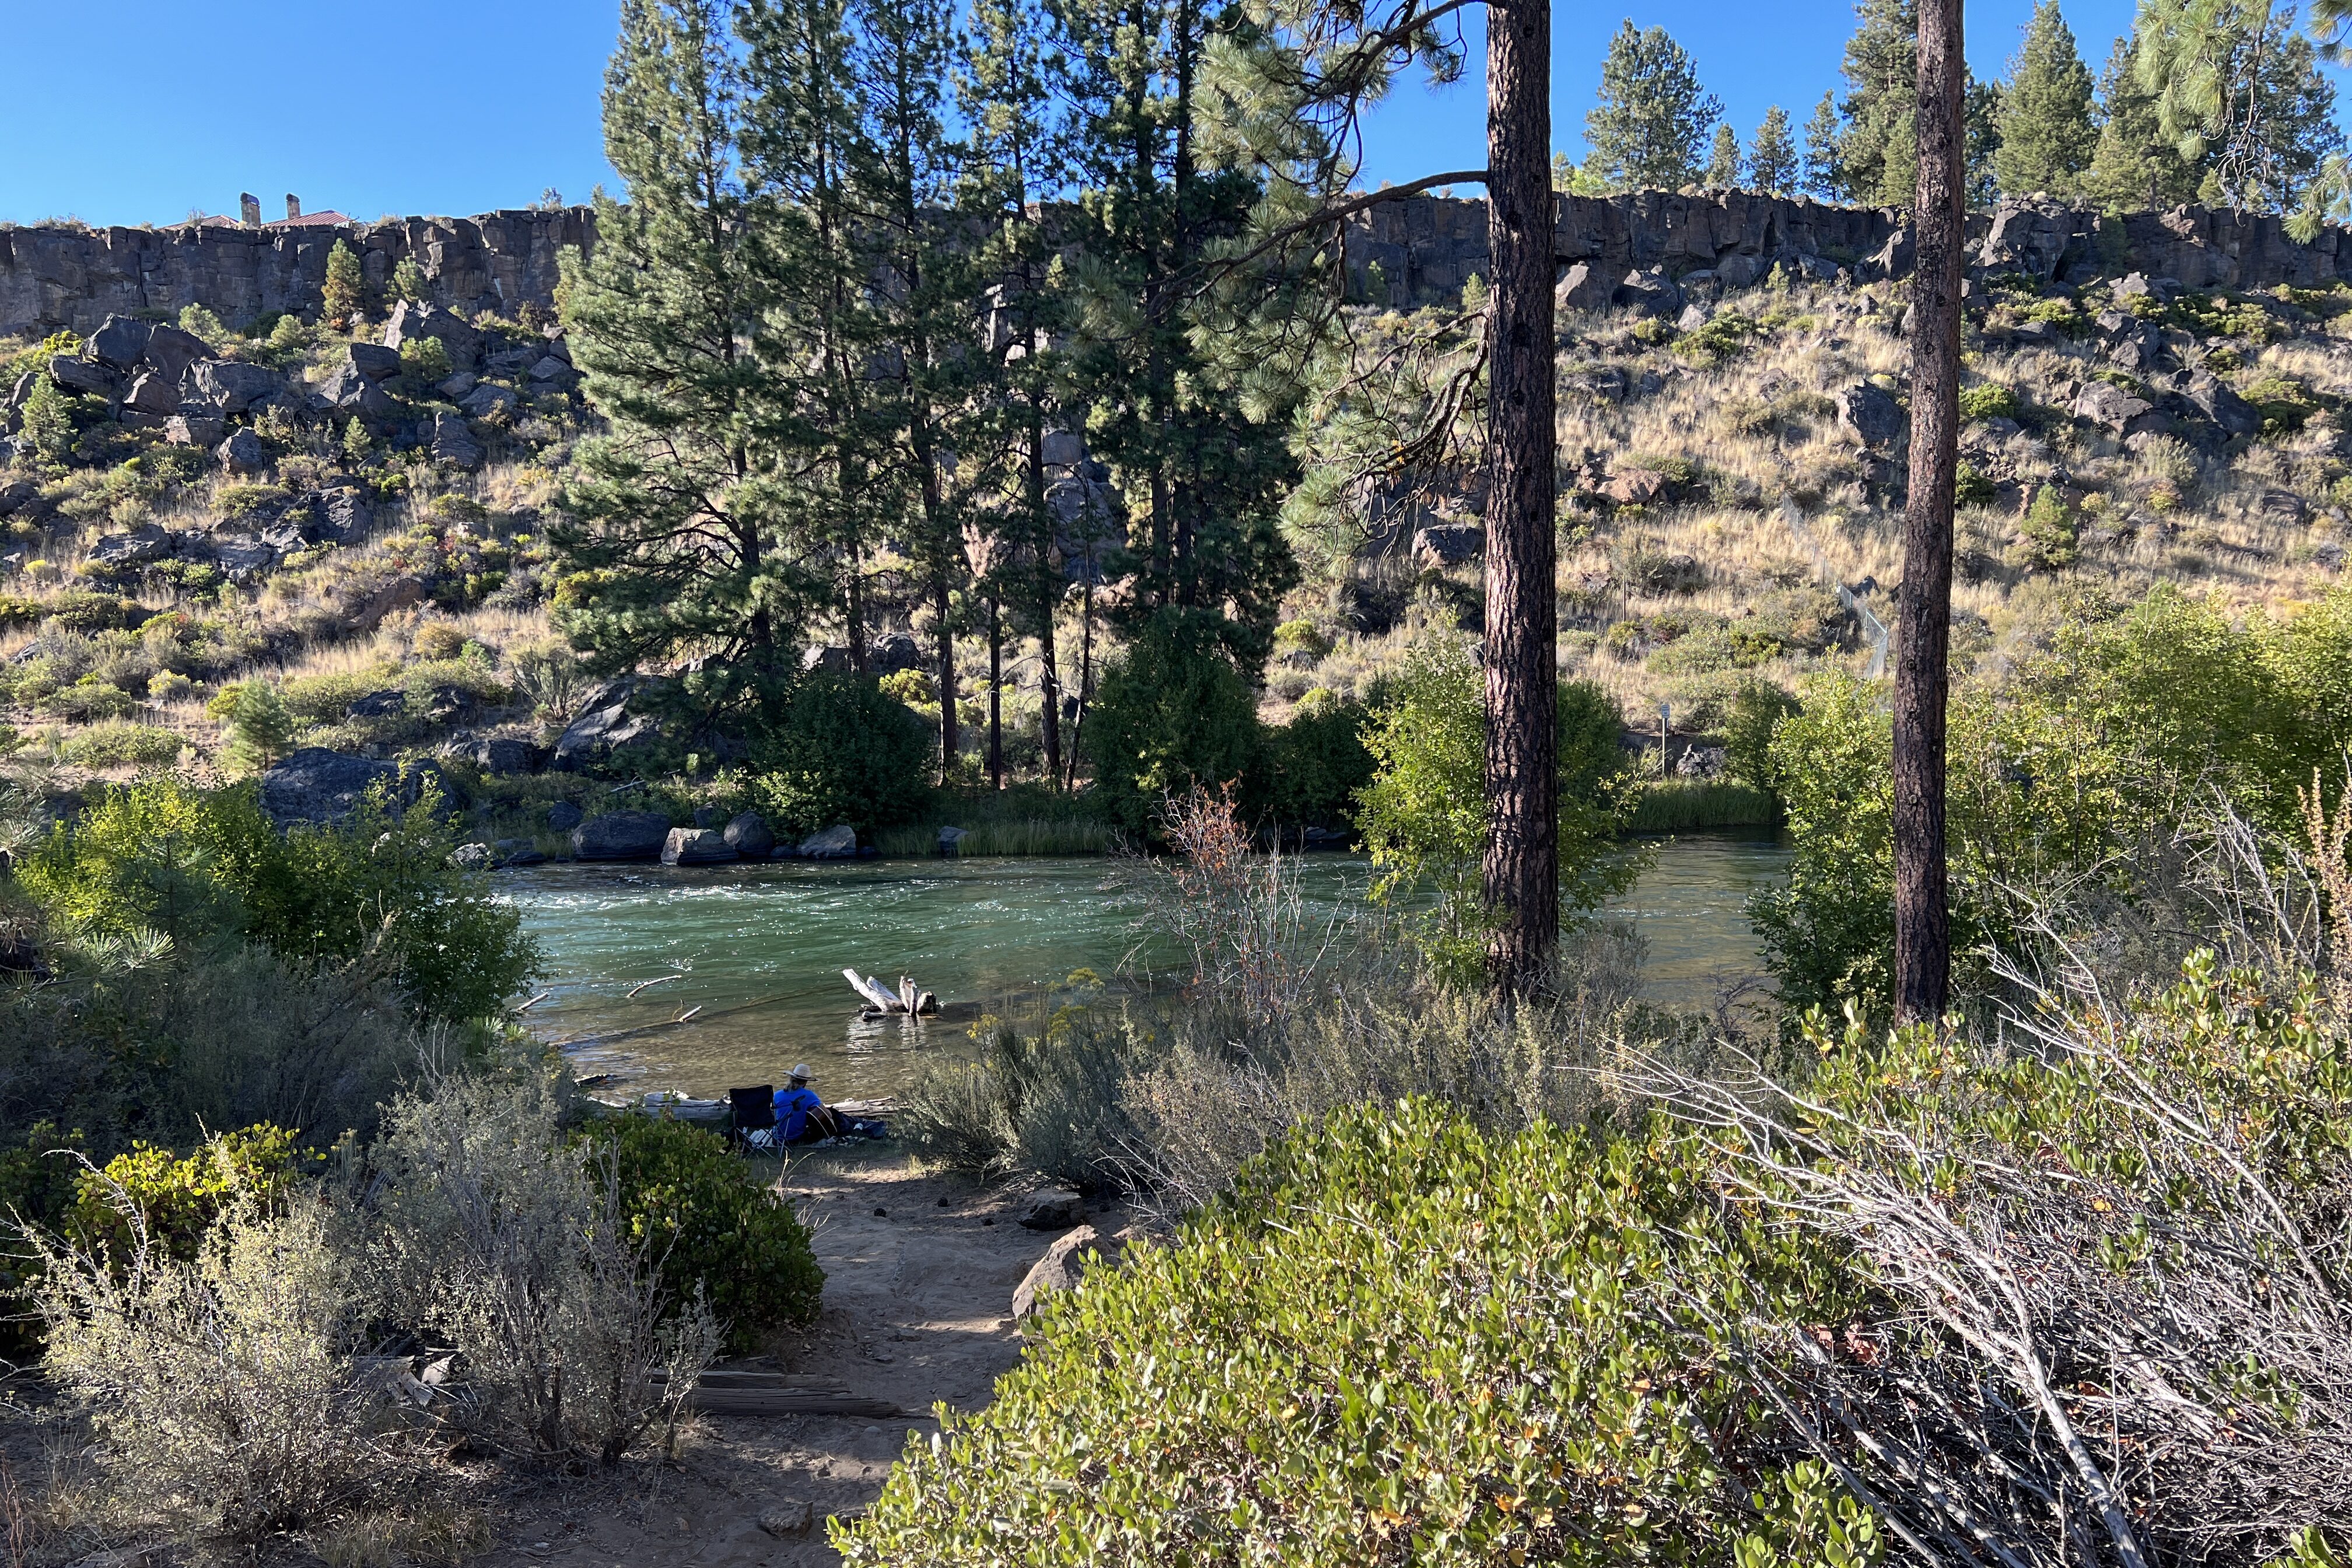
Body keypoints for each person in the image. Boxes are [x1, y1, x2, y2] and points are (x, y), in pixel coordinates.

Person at [772, 1065, 848, 1144]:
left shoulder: (777, 1095)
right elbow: (829, 1115)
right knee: (832, 1113)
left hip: (777, 1139)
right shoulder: (809, 1095)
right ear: (805, 1082)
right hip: (796, 1139)